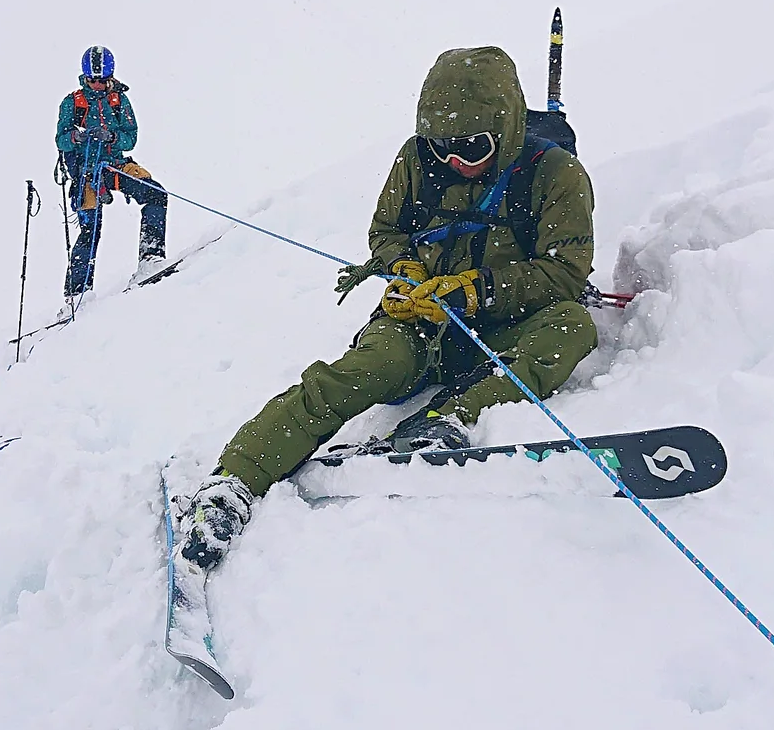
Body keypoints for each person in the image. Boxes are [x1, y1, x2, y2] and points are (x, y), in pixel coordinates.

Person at [178, 46, 598, 567]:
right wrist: (407, 272)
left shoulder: (556, 175)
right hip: (419, 322)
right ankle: (236, 479)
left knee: (572, 327)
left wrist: (478, 290)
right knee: (363, 371)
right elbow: (387, 232)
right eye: (442, 147)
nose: (455, 162)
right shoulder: (416, 161)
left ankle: (450, 419)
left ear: (507, 126)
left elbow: (565, 271)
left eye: (472, 146)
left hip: (505, 324)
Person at [55, 45, 169, 298]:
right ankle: (77, 294)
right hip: (87, 172)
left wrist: (112, 137)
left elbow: (131, 138)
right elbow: (60, 140)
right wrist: (77, 136)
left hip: (115, 165)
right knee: (90, 228)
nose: (97, 85)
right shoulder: (72, 103)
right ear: (85, 77)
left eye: (102, 80)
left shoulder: (119, 101)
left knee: (156, 194)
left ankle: (150, 257)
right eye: (93, 80)